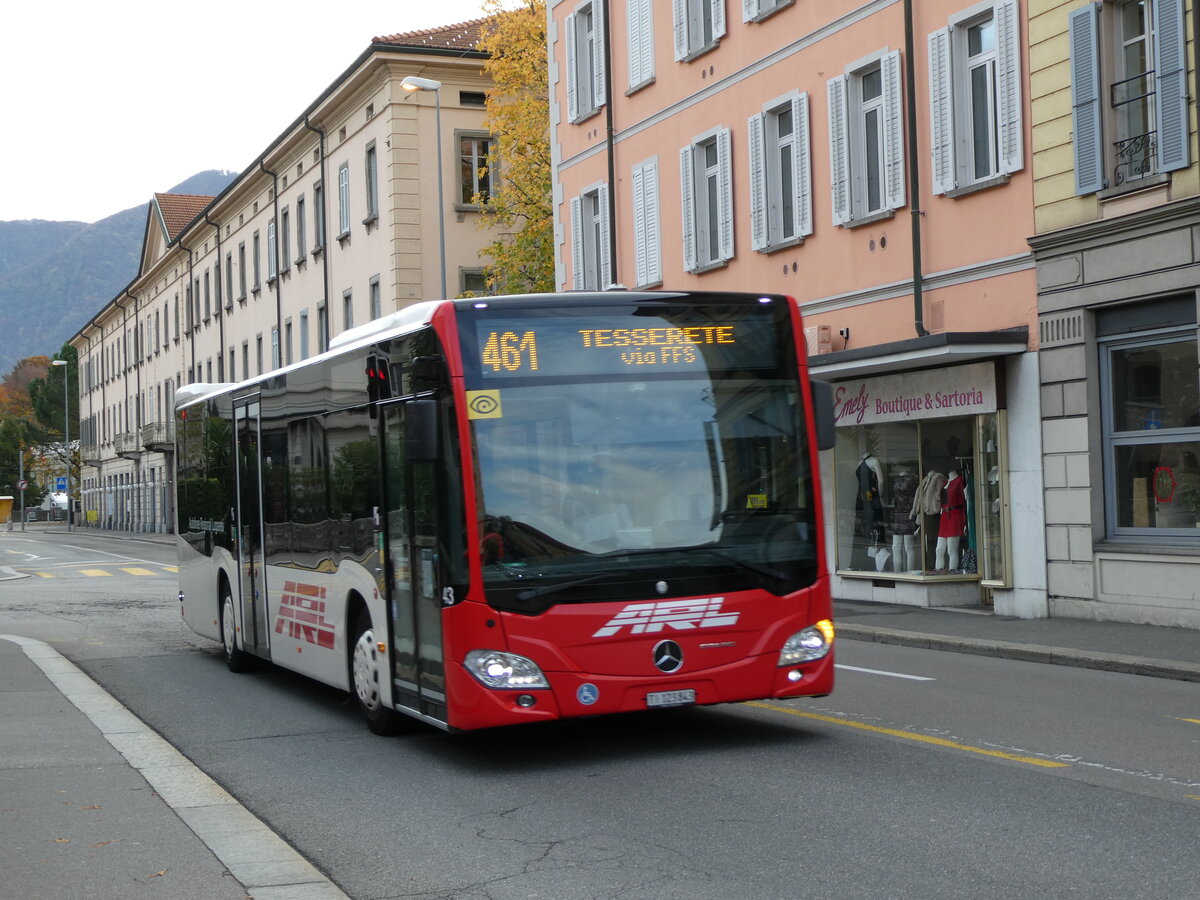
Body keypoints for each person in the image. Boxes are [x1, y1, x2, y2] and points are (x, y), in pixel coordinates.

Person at [889, 465, 919, 572]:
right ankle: (897, 573)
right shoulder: (895, 479)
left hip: (908, 514)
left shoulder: (912, 480)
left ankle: (910, 573)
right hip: (897, 514)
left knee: (908, 548)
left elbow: (916, 497)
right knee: (895, 547)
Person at [935, 468, 966, 571]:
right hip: (944, 516)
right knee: (939, 549)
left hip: (955, 516)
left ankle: (952, 571)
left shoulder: (959, 481)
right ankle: (939, 570)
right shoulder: (946, 482)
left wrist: (965, 521)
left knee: (951, 550)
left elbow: (965, 501)